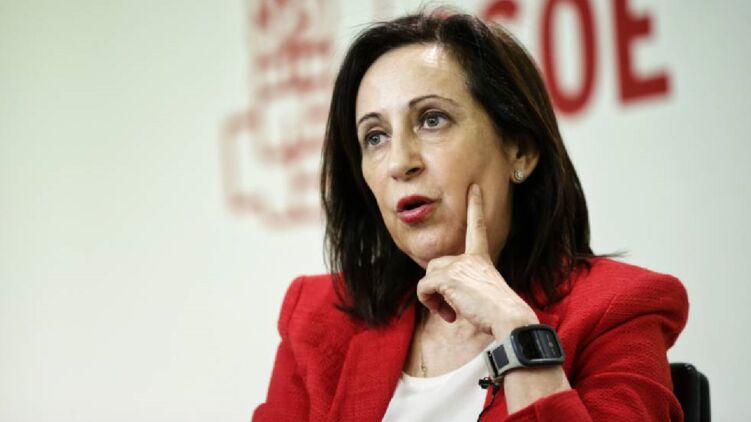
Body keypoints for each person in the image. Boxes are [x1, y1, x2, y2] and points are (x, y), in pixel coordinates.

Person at [253, 10, 688, 422]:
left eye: (432, 119)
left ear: (520, 151)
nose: (399, 163)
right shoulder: (318, 318)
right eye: (376, 136)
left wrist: (516, 330)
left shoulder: (617, 308)